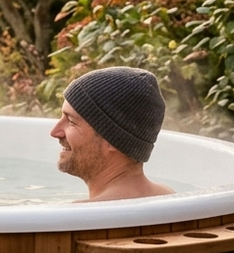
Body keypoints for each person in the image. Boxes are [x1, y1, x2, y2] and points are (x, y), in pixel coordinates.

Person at [50, 66, 175, 202]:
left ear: (113, 139)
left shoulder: (76, 217)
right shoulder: (169, 197)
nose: (55, 132)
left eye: (71, 121)